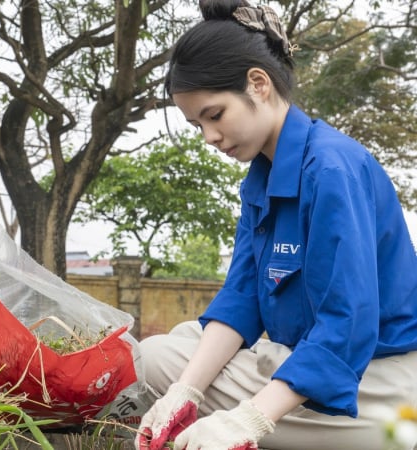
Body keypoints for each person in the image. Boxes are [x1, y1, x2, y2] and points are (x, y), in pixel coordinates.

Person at [134, 1, 417, 449]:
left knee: (178, 365)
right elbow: (243, 294)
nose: (209, 137)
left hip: (376, 379)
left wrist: (250, 419)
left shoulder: (330, 169)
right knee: (161, 356)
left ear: (258, 84)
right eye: (196, 125)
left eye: (214, 115)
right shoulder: (261, 180)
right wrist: (183, 392)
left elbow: (346, 324)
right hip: (303, 359)